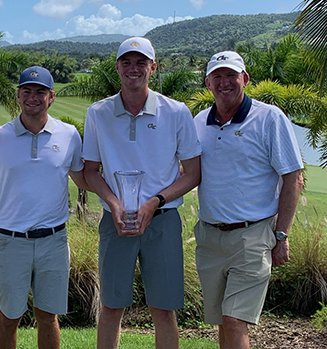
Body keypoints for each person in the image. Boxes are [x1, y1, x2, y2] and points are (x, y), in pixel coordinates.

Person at [82, 37, 202, 349]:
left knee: (163, 309)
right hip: (115, 221)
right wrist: (113, 202)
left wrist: (155, 201)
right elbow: (91, 171)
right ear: (118, 67)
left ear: (153, 66)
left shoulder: (175, 112)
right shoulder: (98, 113)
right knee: (111, 306)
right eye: (127, 62)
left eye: (141, 62)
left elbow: (192, 173)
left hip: (162, 220)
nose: (133, 69)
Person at [0, 66, 89, 349]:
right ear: (17, 96)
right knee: (9, 316)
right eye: (27, 91)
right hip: (11, 241)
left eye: (40, 92)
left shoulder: (68, 135)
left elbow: (82, 178)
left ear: (51, 97)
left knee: (47, 315)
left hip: (54, 241)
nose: (33, 97)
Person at [193, 51, 303, 349]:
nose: (224, 82)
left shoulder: (269, 118)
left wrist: (281, 235)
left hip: (252, 235)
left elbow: (293, 177)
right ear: (208, 83)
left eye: (231, 75)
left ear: (245, 79)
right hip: (210, 236)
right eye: (217, 76)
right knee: (222, 321)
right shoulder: (200, 121)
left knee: (234, 321)